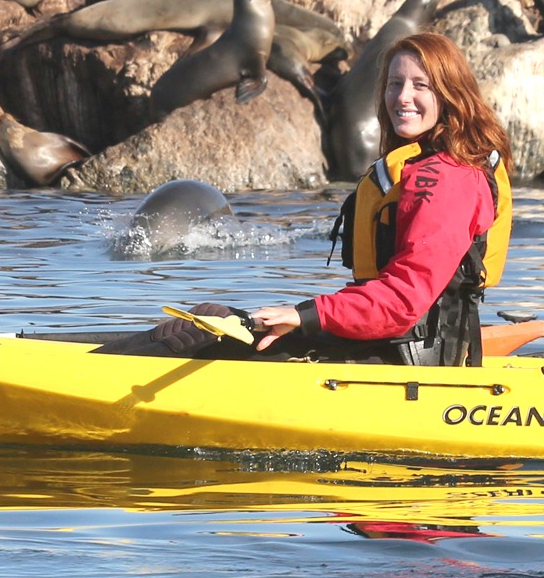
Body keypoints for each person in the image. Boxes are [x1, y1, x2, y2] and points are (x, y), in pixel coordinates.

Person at [94, 32, 512, 365]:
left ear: (449, 95)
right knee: (210, 318)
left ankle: (87, 381)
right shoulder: (424, 166)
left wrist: (305, 316)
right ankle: (84, 366)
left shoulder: (447, 180)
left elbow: (405, 300)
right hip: (391, 341)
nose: (402, 97)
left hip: (410, 361)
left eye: (420, 86)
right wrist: (307, 316)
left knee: (200, 333)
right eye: (395, 83)